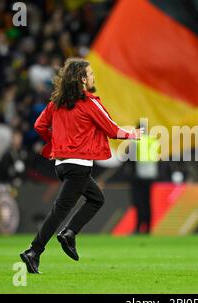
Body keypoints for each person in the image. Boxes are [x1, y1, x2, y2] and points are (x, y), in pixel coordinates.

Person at [20, 58, 143, 274]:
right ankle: (34, 250)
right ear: (83, 79)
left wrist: (55, 142)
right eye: (91, 73)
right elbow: (112, 129)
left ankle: (69, 233)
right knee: (61, 210)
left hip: (62, 164)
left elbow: (39, 125)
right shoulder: (88, 102)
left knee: (96, 198)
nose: (94, 76)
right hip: (79, 164)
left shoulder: (56, 103)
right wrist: (133, 134)